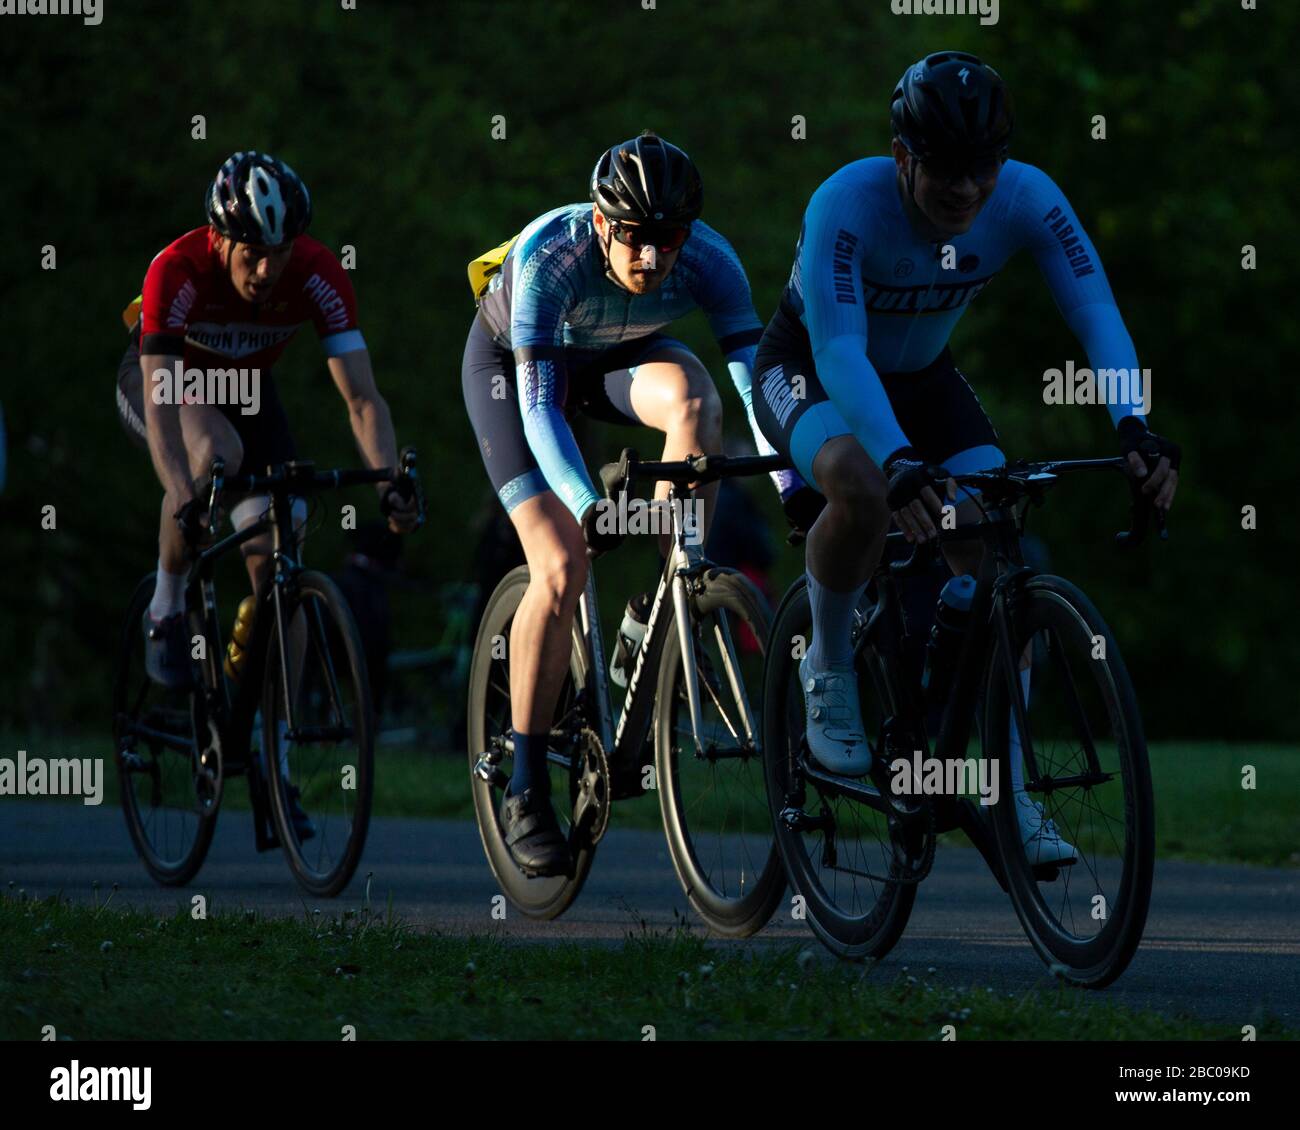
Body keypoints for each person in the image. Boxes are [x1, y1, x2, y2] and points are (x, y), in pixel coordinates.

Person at [752, 52, 1181, 865]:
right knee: (861, 487)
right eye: (944, 169)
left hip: (922, 379)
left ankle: (1001, 781)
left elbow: (1096, 315)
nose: (965, 190)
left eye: (982, 169)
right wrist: (899, 460)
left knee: (987, 531)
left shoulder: (1028, 197)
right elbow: (841, 353)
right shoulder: (847, 201)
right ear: (903, 156)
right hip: (808, 366)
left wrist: (1135, 427)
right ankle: (832, 671)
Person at [462, 130, 800, 876]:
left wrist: (789, 484)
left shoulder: (711, 260)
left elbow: (752, 382)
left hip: (614, 354)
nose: (652, 259)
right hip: (517, 370)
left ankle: (668, 595)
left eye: (668, 240)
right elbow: (543, 410)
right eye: (635, 240)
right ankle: (522, 783)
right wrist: (585, 503)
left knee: (696, 399)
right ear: (601, 223)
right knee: (559, 564)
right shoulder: (554, 258)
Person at [117, 152, 421, 830]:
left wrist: (387, 484)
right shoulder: (178, 270)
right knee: (211, 456)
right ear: (220, 240)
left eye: (278, 255)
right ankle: (166, 603)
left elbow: (363, 398)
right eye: (252, 254)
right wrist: (185, 495)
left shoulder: (317, 272)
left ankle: (273, 760)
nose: (265, 271)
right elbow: (165, 408)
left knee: (285, 546)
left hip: (250, 393)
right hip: (162, 384)